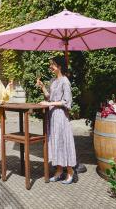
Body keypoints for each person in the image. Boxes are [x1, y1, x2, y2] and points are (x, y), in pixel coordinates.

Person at [36, 55, 77, 184]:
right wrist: (42, 87)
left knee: (63, 142)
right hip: (53, 116)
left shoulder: (65, 81)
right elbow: (50, 97)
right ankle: (59, 171)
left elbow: (67, 102)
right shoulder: (53, 81)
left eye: (52, 64)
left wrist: (49, 104)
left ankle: (70, 172)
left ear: (59, 66)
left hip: (61, 115)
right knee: (55, 142)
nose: (50, 67)